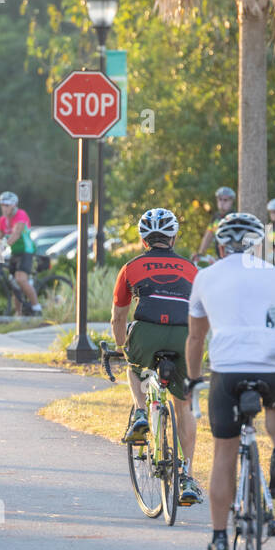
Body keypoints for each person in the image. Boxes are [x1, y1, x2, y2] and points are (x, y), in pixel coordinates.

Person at [185, 212, 275, 550]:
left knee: (224, 454)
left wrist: (193, 380)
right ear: (259, 244)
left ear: (220, 245)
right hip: (273, 364)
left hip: (228, 371)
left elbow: (195, 337)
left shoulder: (205, 277)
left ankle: (220, 539)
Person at [111, 207, 203, 505]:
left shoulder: (131, 266)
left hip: (147, 331)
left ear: (143, 240)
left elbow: (118, 317)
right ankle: (187, 477)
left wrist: (120, 345)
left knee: (133, 365)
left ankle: (140, 412)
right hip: (183, 334)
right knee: (184, 404)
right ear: (174, 238)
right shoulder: (191, 268)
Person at [0, 191, 41, 314]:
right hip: (15, 252)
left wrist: (3, 246)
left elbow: (16, 234)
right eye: (2, 205)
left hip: (26, 250)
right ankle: (19, 314)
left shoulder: (20, 215)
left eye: (7, 205)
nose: (4, 208)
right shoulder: (2, 220)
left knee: (20, 279)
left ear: (13, 205)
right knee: (14, 284)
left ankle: (37, 308)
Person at [194, 186, 236, 262]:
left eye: (225, 200)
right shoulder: (216, 217)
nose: (222, 203)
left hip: (232, 258)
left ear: (231, 201)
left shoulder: (234, 217)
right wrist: (200, 253)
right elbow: (209, 235)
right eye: (220, 199)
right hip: (219, 258)